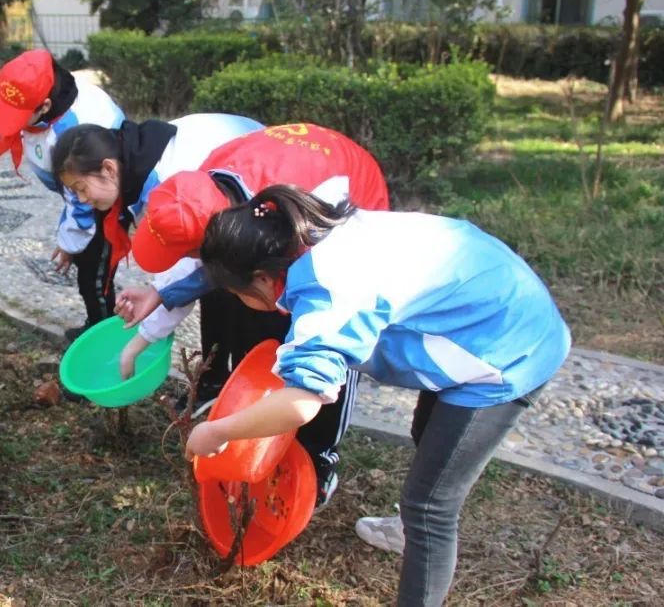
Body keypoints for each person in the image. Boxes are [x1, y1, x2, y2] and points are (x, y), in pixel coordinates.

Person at [187, 184, 570, 607]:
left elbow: (301, 401)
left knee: (430, 506)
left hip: (508, 350)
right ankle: (409, 530)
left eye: (238, 294)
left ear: (261, 279)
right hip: (481, 309)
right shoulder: (313, 234)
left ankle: (416, 538)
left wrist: (217, 430)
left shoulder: (329, 293)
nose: (240, 302)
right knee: (428, 432)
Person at [113, 122, 390, 507]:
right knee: (254, 316)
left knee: (322, 341)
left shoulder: (308, 237)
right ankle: (258, 427)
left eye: (192, 254)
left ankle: (319, 460)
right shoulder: (204, 179)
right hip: (286, 195)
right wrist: (160, 294)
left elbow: (225, 267)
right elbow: (205, 264)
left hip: (345, 197)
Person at [0, 50, 125, 340]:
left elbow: (82, 206)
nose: (12, 121)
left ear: (44, 106)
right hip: (79, 191)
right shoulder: (31, 97)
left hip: (102, 205)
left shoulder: (76, 131)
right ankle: (97, 324)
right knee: (85, 268)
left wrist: (70, 243)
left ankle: (103, 335)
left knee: (94, 275)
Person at [51, 113, 265, 312]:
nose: (82, 200)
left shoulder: (168, 190)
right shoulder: (132, 156)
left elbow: (196, 264)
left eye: (81, 188)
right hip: (238, 172)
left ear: (108, 169)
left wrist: (151, 316)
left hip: (262, 182)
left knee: (244, 289)